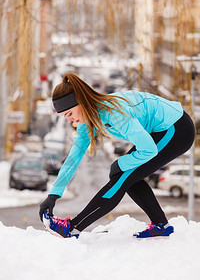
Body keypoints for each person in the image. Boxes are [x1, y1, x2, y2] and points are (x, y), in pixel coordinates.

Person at [39, 73, 195, 239]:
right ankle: (160, 225)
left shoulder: (113, 112)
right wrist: (53, 195)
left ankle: (73, 228)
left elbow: (148, 149)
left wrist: (120, 163)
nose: (71, 120)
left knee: (121, 175)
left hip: (176, 129)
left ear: (81, 101)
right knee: (124, 174)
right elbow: (73, 158)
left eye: (70, 114)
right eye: (66, 117)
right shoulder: (89, 119)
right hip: (160, 132)